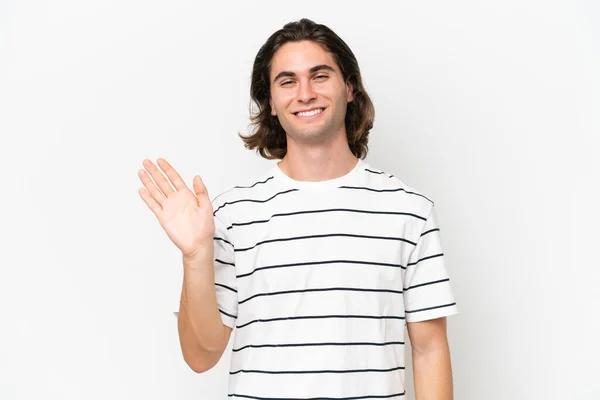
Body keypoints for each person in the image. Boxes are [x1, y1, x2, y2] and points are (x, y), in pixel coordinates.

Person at [138, 18, 458, 400]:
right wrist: (195, 255)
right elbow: (200, 355)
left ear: (350, 88)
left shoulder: (409, 211)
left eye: (320, 76)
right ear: (271, 103)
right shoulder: (231, 214)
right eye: (287, 81)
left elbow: (429, 348)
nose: (304, 93)